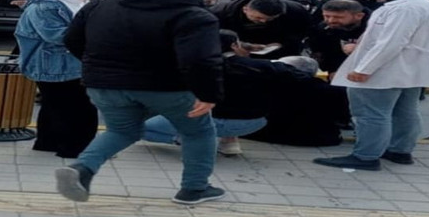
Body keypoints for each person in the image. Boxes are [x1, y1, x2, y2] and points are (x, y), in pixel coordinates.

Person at [58, 0, 226, 206]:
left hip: (104, 84)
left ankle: (82, 169)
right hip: (167, 87)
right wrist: (209, 93)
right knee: (198, 132)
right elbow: (200, 60)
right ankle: (194, 188)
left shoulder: (104, 3)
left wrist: (98, 67)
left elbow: (72, 39)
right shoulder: (195, 15)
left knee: (121, 130)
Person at [143, 32, 348, 154]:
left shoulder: (192, 67)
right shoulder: (263, 68)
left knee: (139, 129)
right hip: (255, 123)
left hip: (220, 120)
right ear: (234, 46)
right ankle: (227, 141)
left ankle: (197, 141)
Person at [314, 0, 429, 170]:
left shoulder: (403, 9)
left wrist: (363, 69)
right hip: (412, 70)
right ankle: (400, 150)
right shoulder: (426, 6)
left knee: (371, 113)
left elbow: (391, 42)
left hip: (384, 69)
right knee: (405, 111)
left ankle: (366, 156)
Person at [15, 0, 104, 158]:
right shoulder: (45, 7)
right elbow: (57, 36)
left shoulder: (78, 1)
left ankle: (48, 143)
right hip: (53, 64)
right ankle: (78, 148)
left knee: (56, 105)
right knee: (79, 107)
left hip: (67, 63)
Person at [213, 0, 312, 58]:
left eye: (269, 19)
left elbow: (301, 32)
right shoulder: (221, 13)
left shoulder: (295, 12)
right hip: (237, 50)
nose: (263, 21)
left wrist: (283, 44)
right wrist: (238, 45)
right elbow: (214, 36)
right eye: (258, 18)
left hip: (279, 52)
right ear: (245, 9)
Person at [306, 0, 368, 76]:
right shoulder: (323, 29)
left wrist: (361, 49)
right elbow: (320, 53)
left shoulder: (374, 27)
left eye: (338, 17)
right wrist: (332, 71)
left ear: (359, 16)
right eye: (327, 16)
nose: (331, 20)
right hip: (336, 72)